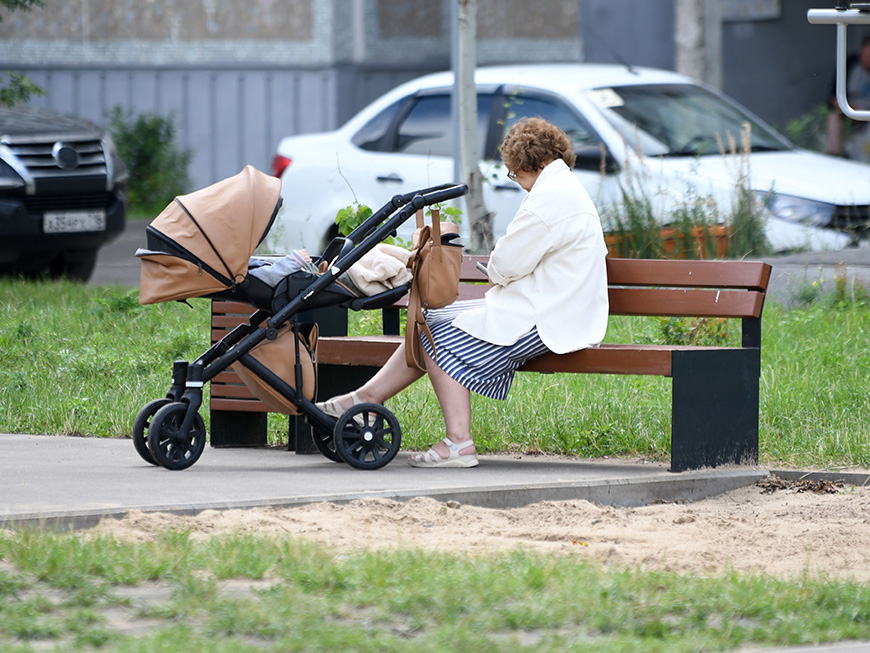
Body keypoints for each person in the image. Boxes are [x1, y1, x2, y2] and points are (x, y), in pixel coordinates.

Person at [316, 117, 610, 468]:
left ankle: (458, 442)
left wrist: (498, 273)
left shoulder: (548, 200)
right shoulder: (565, 189)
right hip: (553, 308)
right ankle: (364, 398)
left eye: (515, 175)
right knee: (429, 319)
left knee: (435, 333)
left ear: (532, 164)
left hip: (548, 319)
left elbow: (505, 264)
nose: (518, 184)